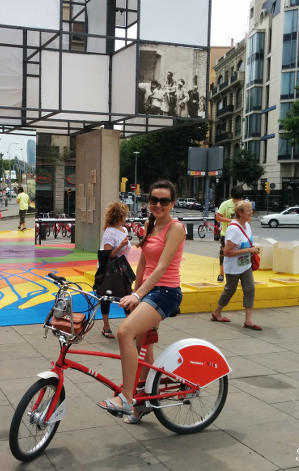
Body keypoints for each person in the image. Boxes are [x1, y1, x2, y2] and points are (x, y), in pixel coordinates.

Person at [98, 180, 185, 424]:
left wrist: (138, 295)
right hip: (148, 291)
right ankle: (142, 402)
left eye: (164, 201)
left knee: (124, 333)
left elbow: (162, 268)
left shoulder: (175, 228)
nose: (158, 204)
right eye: (154, 200)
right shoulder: (150, 224)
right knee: (143, 347)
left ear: (172, 204)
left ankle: (126, 397)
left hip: (165, 292)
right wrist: (137, 292)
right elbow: (145, 263)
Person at [211, 200, 262, 330]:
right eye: (248, 211)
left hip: (245, 265)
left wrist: (253, 248)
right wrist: (248, 250)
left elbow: (247, 242)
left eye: (251, 210)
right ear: (240, 213)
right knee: (230, 290)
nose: (251, 212)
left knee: (250, 289)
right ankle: (217, 313)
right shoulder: (234, 229)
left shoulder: (247, 225)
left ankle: (248, 321)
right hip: (233, 267)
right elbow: (227, 252)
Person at [97, 202, 131, 339]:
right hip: (110, 271)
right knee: (107, 297)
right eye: (124, 214)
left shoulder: (124, 230)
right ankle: (106, 326)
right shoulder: (110, 232)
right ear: (119, 215)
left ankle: (130, 327)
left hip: (123, 268)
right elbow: (107, 254)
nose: (126, 217)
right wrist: (121, 246)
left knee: (128, 297)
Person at [215, 185, 244, 282]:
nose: (238, 201)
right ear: (231, 197)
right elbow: (218, 217)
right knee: (224, 254)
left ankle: (239, 274)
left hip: (240, 235)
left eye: (240, 199)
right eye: (236, 199)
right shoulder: (225, 204)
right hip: (226, 235)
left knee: (239, 254)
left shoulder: (244, 205)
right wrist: (230, 221)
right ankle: (221, 274)